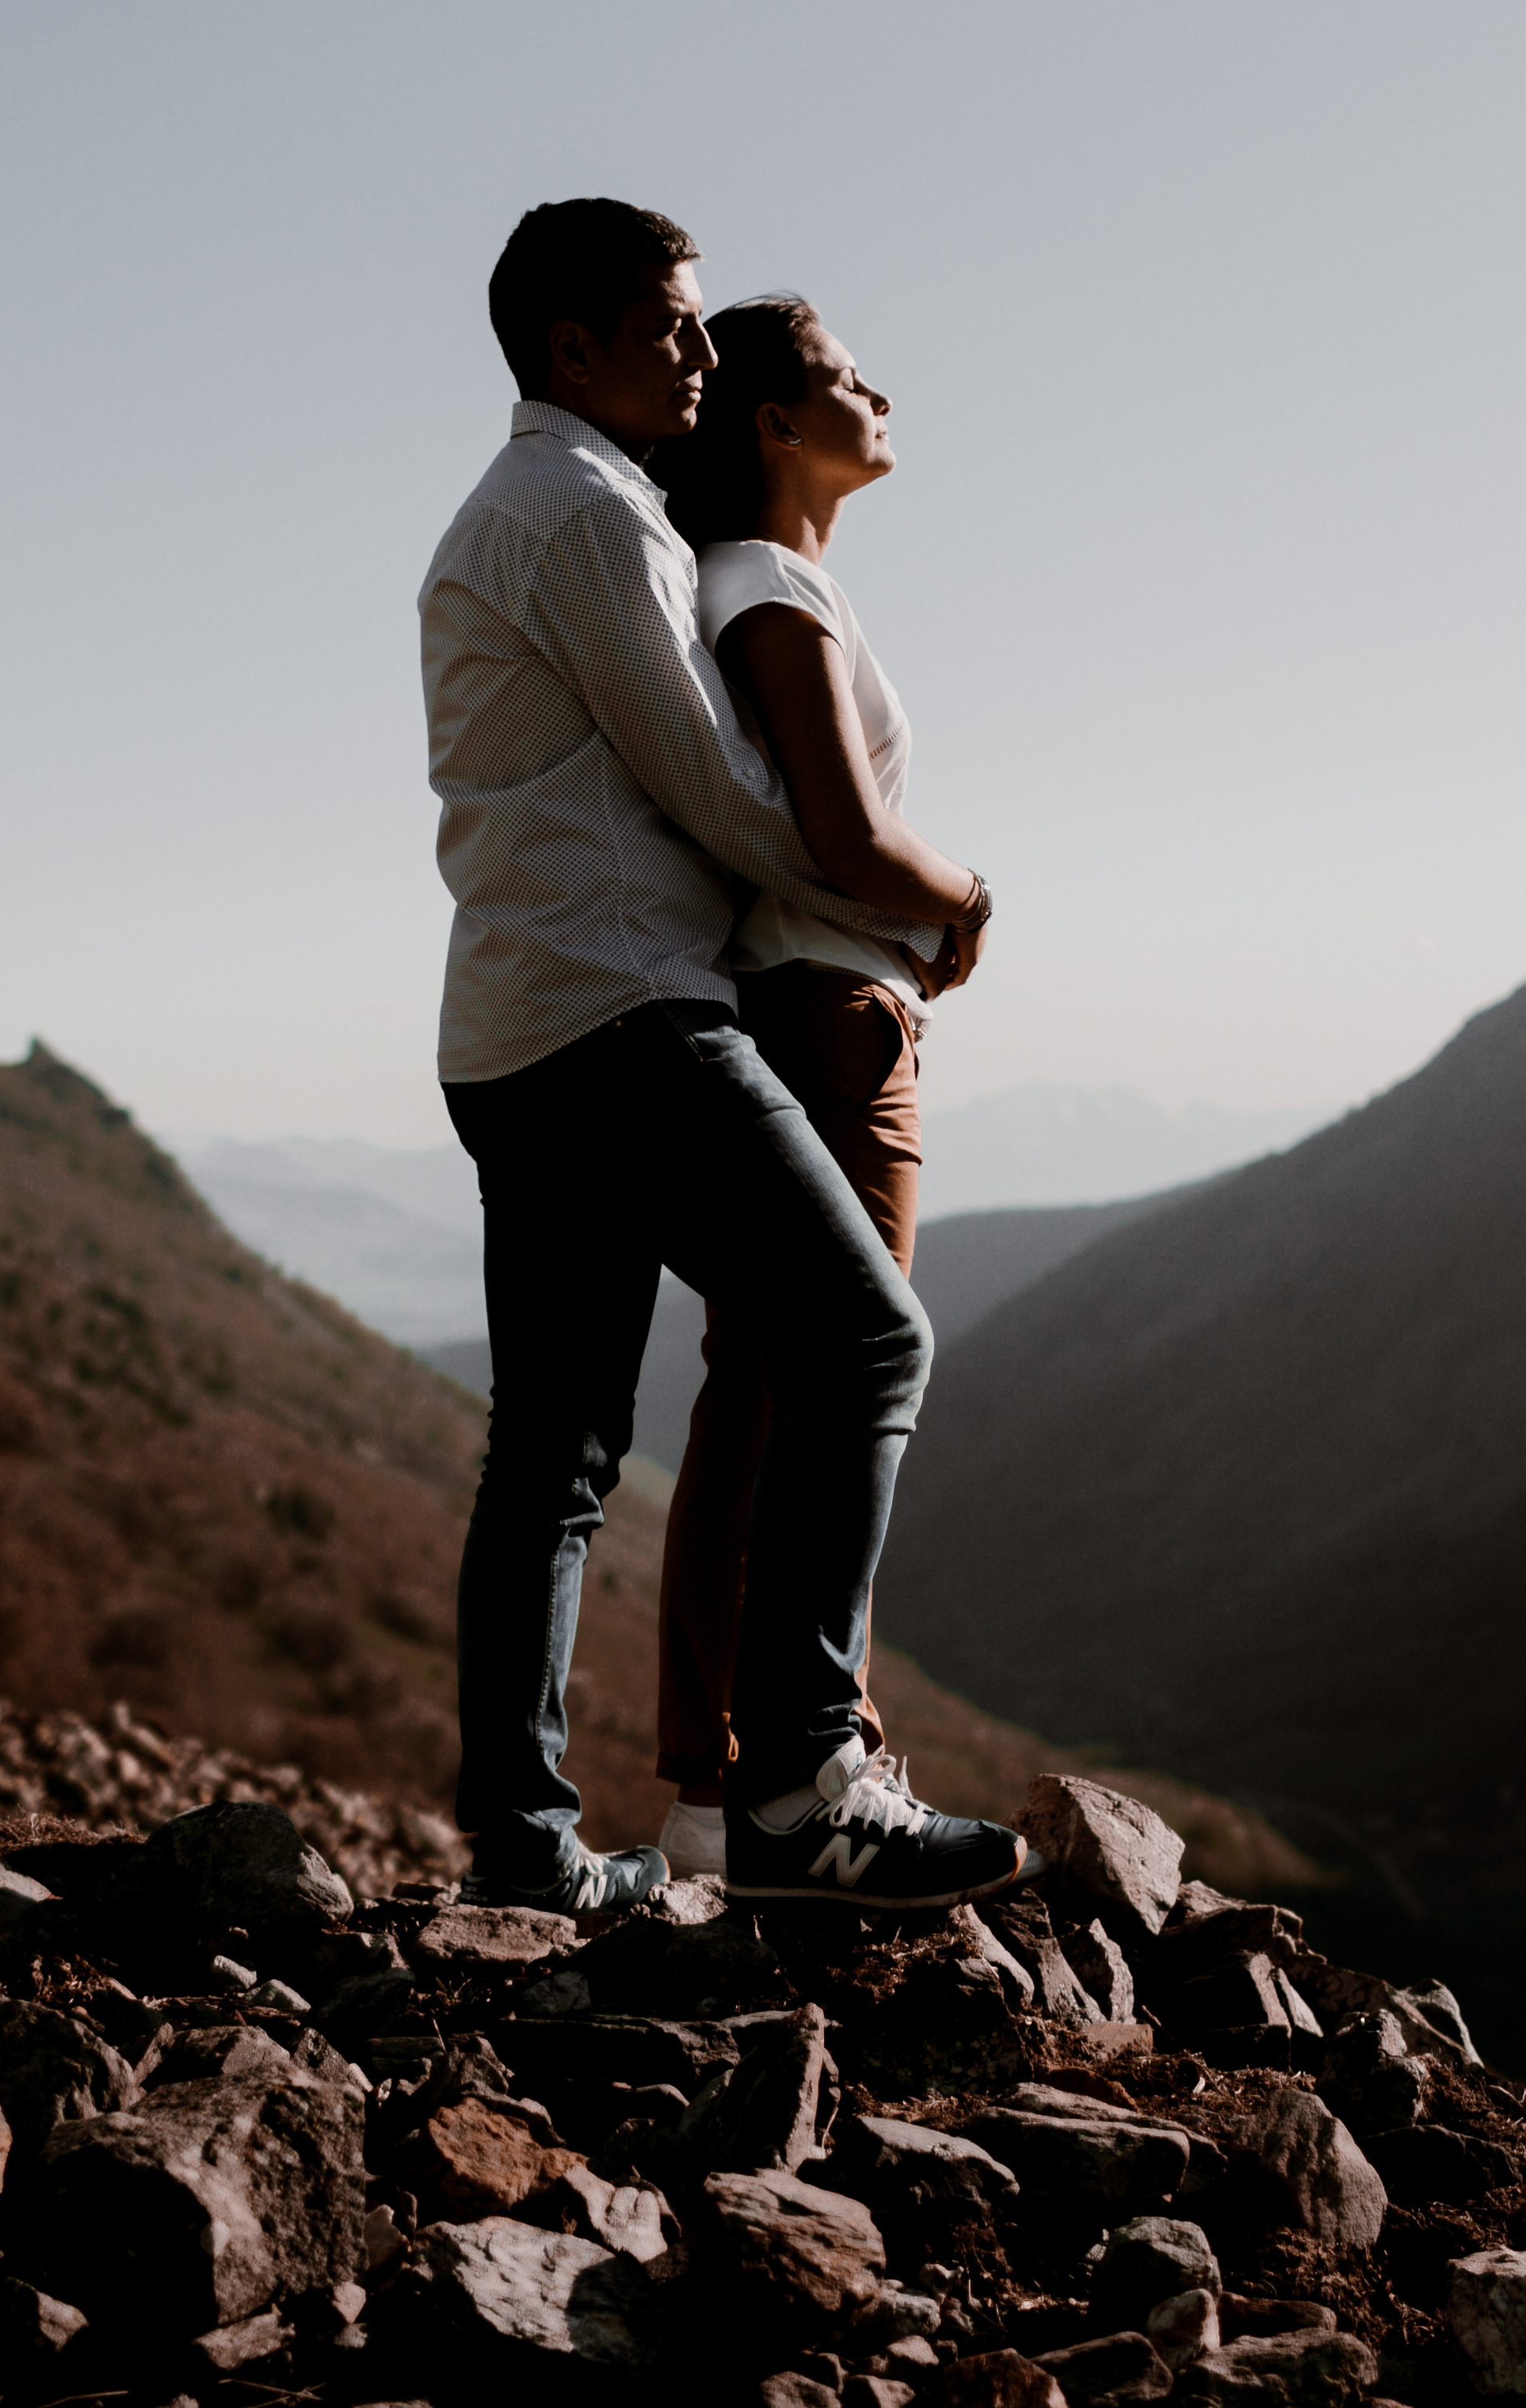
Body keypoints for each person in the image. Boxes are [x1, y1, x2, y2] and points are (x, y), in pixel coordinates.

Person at [419, 198, 1028, 1913]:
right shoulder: (585, 515)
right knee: (864, 1346)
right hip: (629, 1016)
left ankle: (532, 1851)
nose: (702, 349)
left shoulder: (524, 511)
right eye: (675, 327)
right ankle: (805, 1786)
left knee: (556, 1452)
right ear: (573, 349)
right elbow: (726, 797)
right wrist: (922, 908)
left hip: (515, 1024)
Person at [639, 293, 984, 1878]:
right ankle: (799, 1775)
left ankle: (726, 1792)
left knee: (763, 1396)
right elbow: (846, 840)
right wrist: (968, 898)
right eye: (847, 378)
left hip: (808, 1005)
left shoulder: (752, 583)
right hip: (836, 1015)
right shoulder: (771, 591)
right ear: (776, 425)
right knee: (829, 1388)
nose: (879, 392)